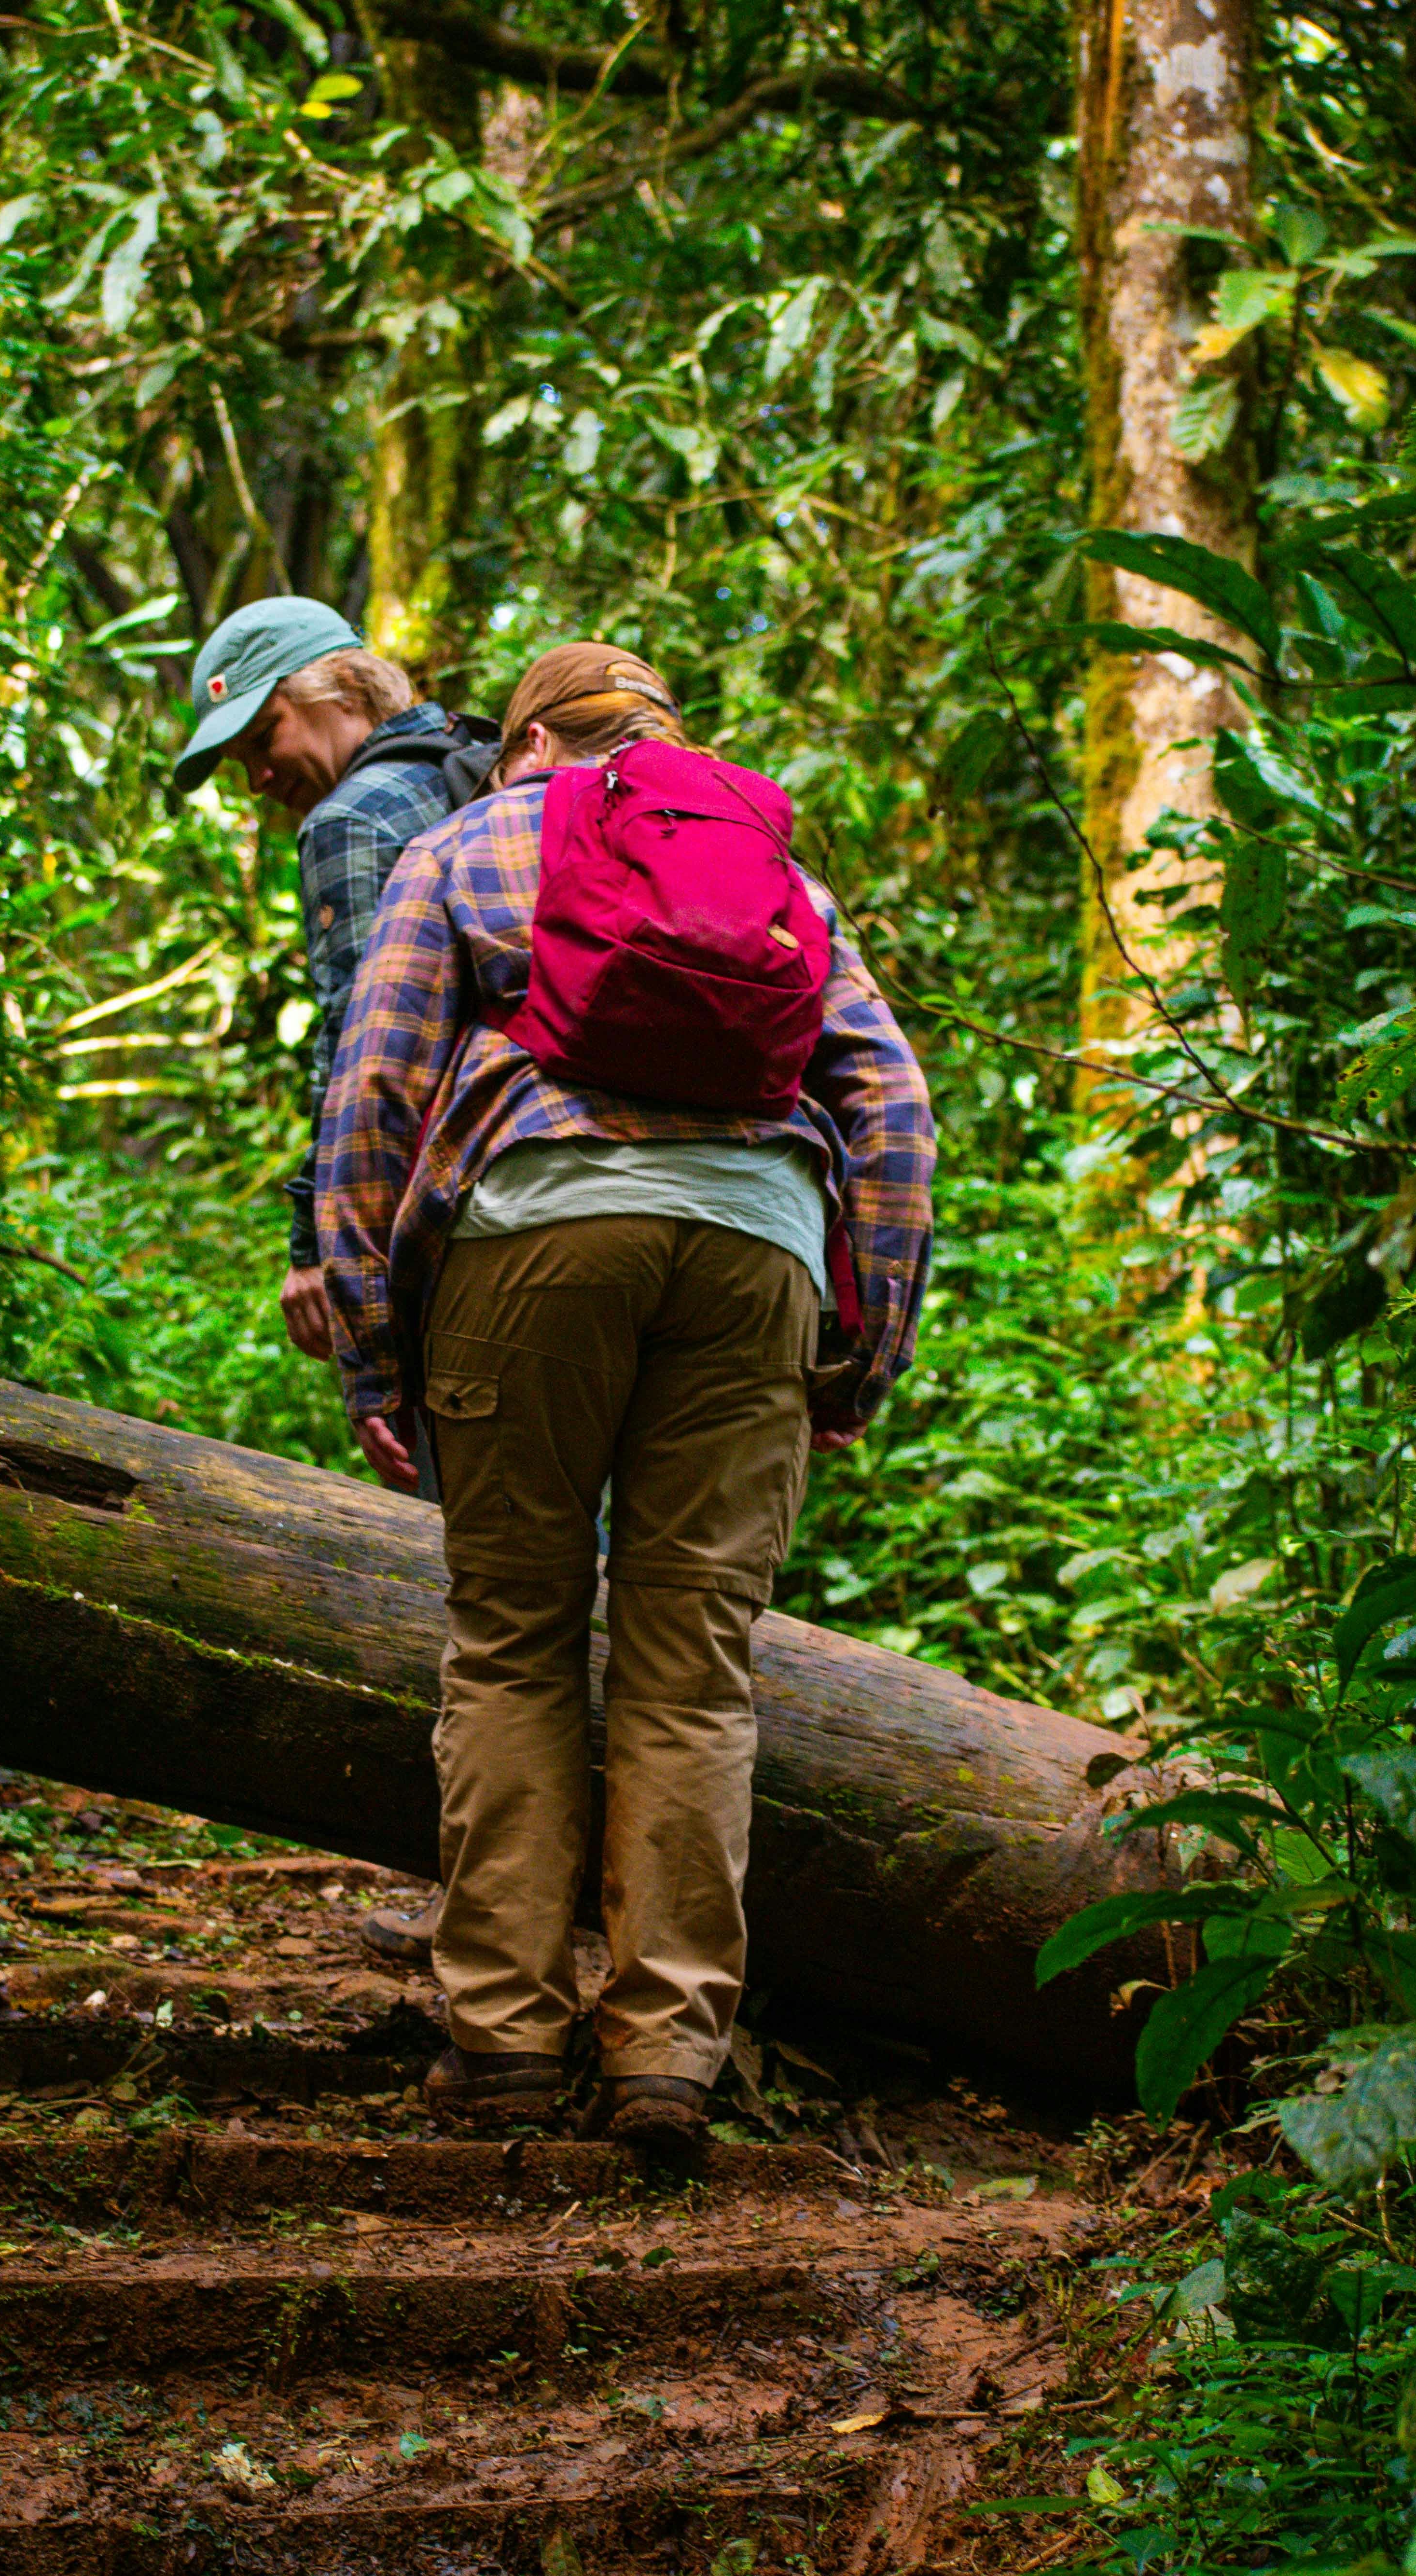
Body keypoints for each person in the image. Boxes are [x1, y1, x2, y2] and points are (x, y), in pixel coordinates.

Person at [315, 642, 934, 2152]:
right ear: (666, 737)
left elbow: (374, 1091)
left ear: (521, 740)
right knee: (694, 1664)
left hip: (532, 1236)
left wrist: (369, 1350)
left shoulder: (467, 842)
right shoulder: (775, 873)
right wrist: (862, 1349)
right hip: (758, 1255)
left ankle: (505, 2042)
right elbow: (893, 1107)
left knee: (517, 1641)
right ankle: (669, 2053)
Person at [174, 596, 495, 1968]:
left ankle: (491, 1914)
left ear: (332, 691)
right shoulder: (484, 781)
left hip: (461, 1226)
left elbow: (369, 1047)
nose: (258, 768)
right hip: (607, 1203)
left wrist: (326, 1247)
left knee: (490, 1586)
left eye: (264, 730)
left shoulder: (359, 819)